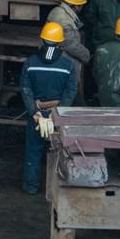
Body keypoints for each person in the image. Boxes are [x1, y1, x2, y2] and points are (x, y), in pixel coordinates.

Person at [19, 21, 79, 194]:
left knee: (33, 151)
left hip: (37, 115)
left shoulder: (30, 63)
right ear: (60, 42)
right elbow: (71, 90)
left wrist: (34, 112)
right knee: (60, 152)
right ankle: (58, 190)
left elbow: (25, 88)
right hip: (57, 114)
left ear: (42, 40)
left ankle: (31, 187)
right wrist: (60, 113)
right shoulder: (68, 65)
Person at [44, 0, 92, 97]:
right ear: (76, 6)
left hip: (51, 58)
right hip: (60, 64)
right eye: (81, 5)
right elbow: (70, 45)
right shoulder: (64, 20)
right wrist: (87, 55)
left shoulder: (57, 11)